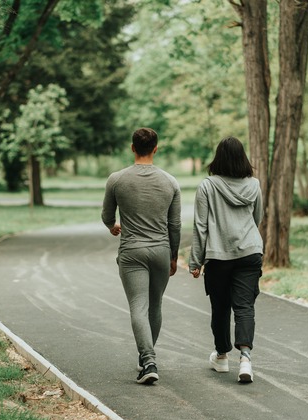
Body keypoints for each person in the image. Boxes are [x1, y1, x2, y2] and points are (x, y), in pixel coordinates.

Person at [102, 127, 181, 385]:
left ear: (133, 148)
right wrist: (173, 256)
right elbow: (175, 225)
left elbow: (107, 216)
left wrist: (114, 226)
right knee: (155, 304)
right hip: (160, 250)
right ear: (155, 148)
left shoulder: (116, 179)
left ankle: (147, 359)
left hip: (132, 252)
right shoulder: (170, 182)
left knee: (138, 305)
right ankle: (147, 357)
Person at [189, 136, 263, 383]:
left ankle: (221, 356)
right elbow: (257, 217)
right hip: (250, 252)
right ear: (243, 158)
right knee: (245, 307)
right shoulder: (254, 185)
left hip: (218, 256)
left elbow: (200, 226)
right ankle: (245, 359)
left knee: (220, 307)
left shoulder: (207, 186)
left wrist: (195, 261)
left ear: (218, 158)